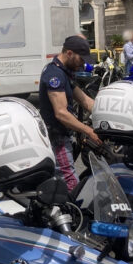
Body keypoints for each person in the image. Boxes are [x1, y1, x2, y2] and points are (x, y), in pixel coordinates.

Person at [39, 34, 102, 191]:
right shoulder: (55, 75)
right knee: (70, 181)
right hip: (57, 137)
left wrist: (108, 114)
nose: (82, 65)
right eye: (81, 59)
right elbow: (61, 113)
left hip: (63, 135)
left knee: (63, 178)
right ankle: (73, 213)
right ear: (69, 53)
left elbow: (85, 100)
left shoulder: (64, 72)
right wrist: (89, 131)